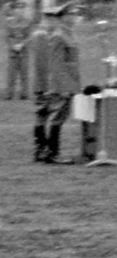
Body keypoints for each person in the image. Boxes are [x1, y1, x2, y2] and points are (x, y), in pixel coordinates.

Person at [26, 9, 79, 163]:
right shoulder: (49, 37)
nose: (51, 23)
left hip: (43, 82)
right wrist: (60, 86)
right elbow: (53, 65)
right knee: (55, 116)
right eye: (49, 19)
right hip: (52, 83)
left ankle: (41, 150)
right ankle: (51, 152)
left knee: (42, 115)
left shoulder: (42, 36)